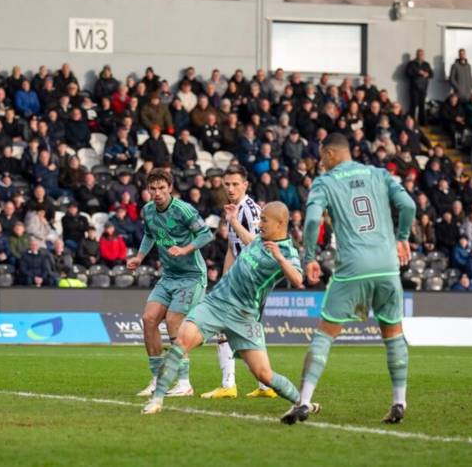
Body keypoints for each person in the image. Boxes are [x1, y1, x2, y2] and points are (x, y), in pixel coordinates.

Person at [283, 133, 416, 425]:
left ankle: (304, 401)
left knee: (324, 334)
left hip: (353, 267)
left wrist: (309, 258)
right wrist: (402, 237)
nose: (320, 162)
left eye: (321, 156)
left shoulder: (325, 182)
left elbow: (313, 220)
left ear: (330, 154)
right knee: (393, 334)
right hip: (387, 267)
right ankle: (399, 401)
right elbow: (408, 206)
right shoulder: (380, 174)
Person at [141, 202, 305, 415]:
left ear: (281, 223)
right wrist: (234, 221)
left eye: (264, 220)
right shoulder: (260, 240)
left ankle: (302, 403)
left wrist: (281, 259)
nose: (259, 223)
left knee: (264, 375)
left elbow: (298, 278)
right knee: (181, 342)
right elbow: (249, 240)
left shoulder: (287, 252)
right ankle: (157, 400)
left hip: (244, 317)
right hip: (215, 304)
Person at [127, 169, 214, 398]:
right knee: (148, 319)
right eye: (153, 189)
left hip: (192, 275)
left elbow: (207, 235)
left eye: (161, 188)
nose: (157, 193)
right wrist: (139, 257)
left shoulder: (183, 210)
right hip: (169, 276)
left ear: (170, 188)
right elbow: (149, 234)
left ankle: (184, 383)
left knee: (174, 320)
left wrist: (184, 249)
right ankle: (157, 380)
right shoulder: (148, 210)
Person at [200, 165, 277, 400]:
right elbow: (233, 250)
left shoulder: (250, 210)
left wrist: (232, 222)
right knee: (244, 332)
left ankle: (229, 385)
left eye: (235, 184)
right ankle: (265, 386)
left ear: (245, 185)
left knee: (224, 328)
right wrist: (225, 279)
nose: (230, 188)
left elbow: (257, 243)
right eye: (227, 184)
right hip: (240, 280)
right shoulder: (235, 209)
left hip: (252, 280)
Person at [405, 49, 433, 124]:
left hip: (423, 88)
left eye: (422, 54)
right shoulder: (411, 63)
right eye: (419, 54)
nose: (420, 55)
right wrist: (418, 73)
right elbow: (407, 74)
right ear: (416, 54)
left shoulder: (426, 64)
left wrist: (427, 74)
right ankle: (411, 122)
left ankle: (423, 122)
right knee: (413, 105)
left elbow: (432, 74)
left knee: (422, 105)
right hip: (414, 88)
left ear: (423, 55)